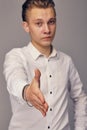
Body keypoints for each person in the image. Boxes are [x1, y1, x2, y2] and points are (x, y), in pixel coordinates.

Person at [3, 0, 87, 130]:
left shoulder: (66, 61)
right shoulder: (16, 56)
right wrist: (26, 91)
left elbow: (80, 97)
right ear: (26, 26)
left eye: (51, 22)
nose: (47, 30)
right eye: (39, 23)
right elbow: (14, 80)